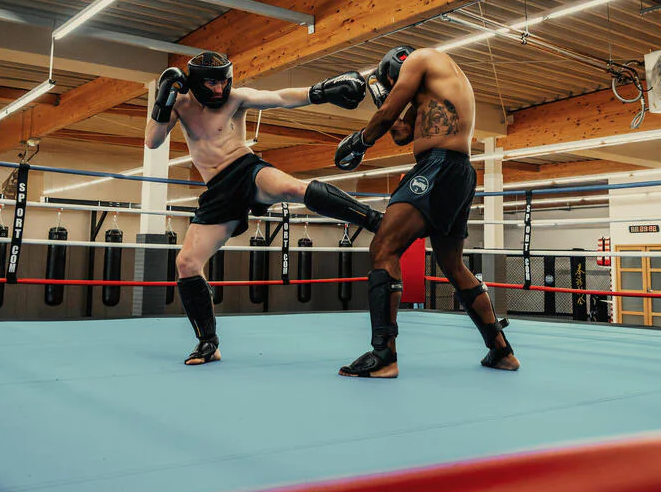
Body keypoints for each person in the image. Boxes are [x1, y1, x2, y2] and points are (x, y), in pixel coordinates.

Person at [145, 50, 382, 365]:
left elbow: (281, 97)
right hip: (218, 190)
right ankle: (208, 343)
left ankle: (377, 220)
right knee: (187, 264)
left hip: (245, 169)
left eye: (223, 82)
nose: (219, 90)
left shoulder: (236, 98)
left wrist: (322, 92)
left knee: (291, 187)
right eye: (212, 84)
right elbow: (153, 141)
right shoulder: (181, 105)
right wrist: (162, 100)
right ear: (196, 84)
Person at [333, 46, 518, 378]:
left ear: (393, 72)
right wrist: (382, 100)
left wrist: (360, 141)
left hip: (439, 167)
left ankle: (383, 355)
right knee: (451, 263)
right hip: (459, 173)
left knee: (383, 248)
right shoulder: (434, 83)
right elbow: (402, 133)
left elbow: (389, 113)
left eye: (391, 84)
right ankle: (501, 350)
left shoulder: (419, 59)